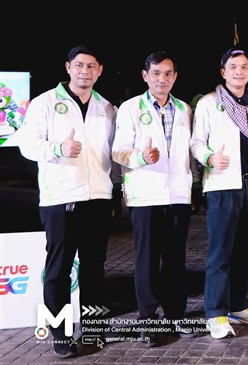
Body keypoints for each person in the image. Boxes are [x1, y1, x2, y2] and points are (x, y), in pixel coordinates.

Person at [16, 45, 117, 358]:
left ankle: (94, 328)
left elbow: (114, 152)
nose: (85, 71)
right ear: (68, 68)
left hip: (98, 198)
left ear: (100, 71)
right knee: (59, 269)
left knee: (94, 268)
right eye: (79, 65)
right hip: (60, 198)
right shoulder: (45, 102)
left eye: (91, 66)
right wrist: (58, 148)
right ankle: (60, 334)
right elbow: (26, 144)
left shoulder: (107, 108)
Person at [111, 51, 201, 344]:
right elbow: (118, 151)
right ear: (145, 76)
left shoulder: (184, 109)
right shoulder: (130, 108)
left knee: (175, 260)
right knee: (147, 261)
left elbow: (189, 154)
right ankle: (148, 321)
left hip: (177, 195)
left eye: (168, 73)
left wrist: (193, 186)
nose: (162, 79)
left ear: (175, 77)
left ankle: (175, 315)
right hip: (145, 195)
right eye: (156, 73)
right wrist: (141, 157)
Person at [190, 47, 248, 339]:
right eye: (233, 67)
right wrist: (209, 157)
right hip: (224, 185)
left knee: (247, 251)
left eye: (244, 67)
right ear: (223, 72)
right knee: (221, 253)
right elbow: (196, 143)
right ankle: (215, 313)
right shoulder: (209, 103)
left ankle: (237, 305)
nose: (239, 72)